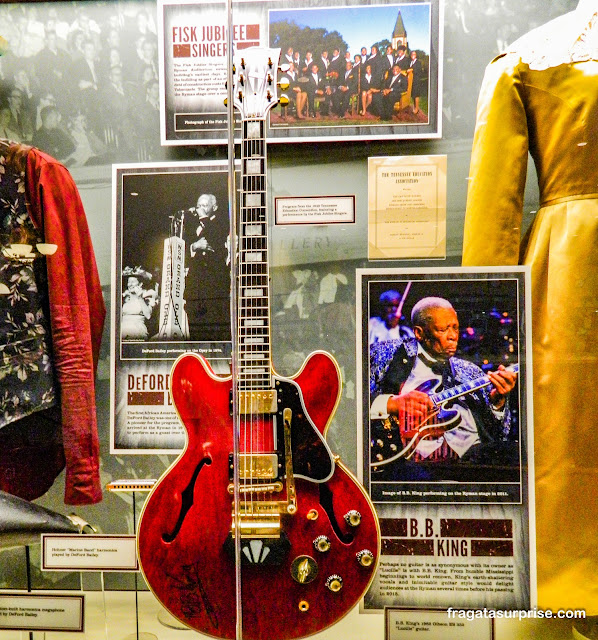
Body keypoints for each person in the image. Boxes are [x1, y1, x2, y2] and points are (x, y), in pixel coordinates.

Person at [461, 0, 598, 615]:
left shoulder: (528, 59)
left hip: (572, 261)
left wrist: (485, 323)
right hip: (570, 266)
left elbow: (494, 208)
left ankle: (572, 583)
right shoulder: (524, 61)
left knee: (569, 428)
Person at [370, 297, 517, 478]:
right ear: (419, 333)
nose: (453, 335)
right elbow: (349, 401)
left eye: (455, 327)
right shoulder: (384, 354)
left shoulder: (470, 372)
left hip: (473, 467)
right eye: (442, 329)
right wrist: (391, 404)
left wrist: (498, 402)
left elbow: (501, 435)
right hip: (410, 469)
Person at [121, 269, 158, 340]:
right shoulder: (124, 298)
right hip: (123, 331)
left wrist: (140, 298)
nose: (130, 284)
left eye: (133, 282)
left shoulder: (147, 296)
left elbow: (148, 315)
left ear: (140, 284)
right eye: (129, 282)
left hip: (137, 332)